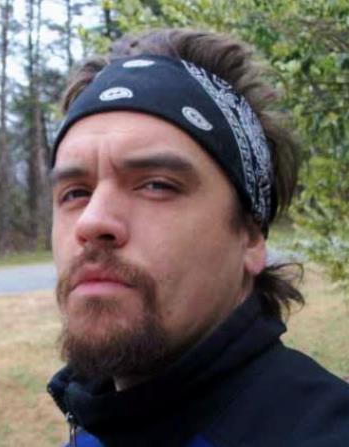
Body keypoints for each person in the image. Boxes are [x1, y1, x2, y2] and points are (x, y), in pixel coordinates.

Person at [47, 28, 349, 447]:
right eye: (75, 193)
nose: (91, 221)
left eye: (157, 185)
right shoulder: (94, 428)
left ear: (250, 237)